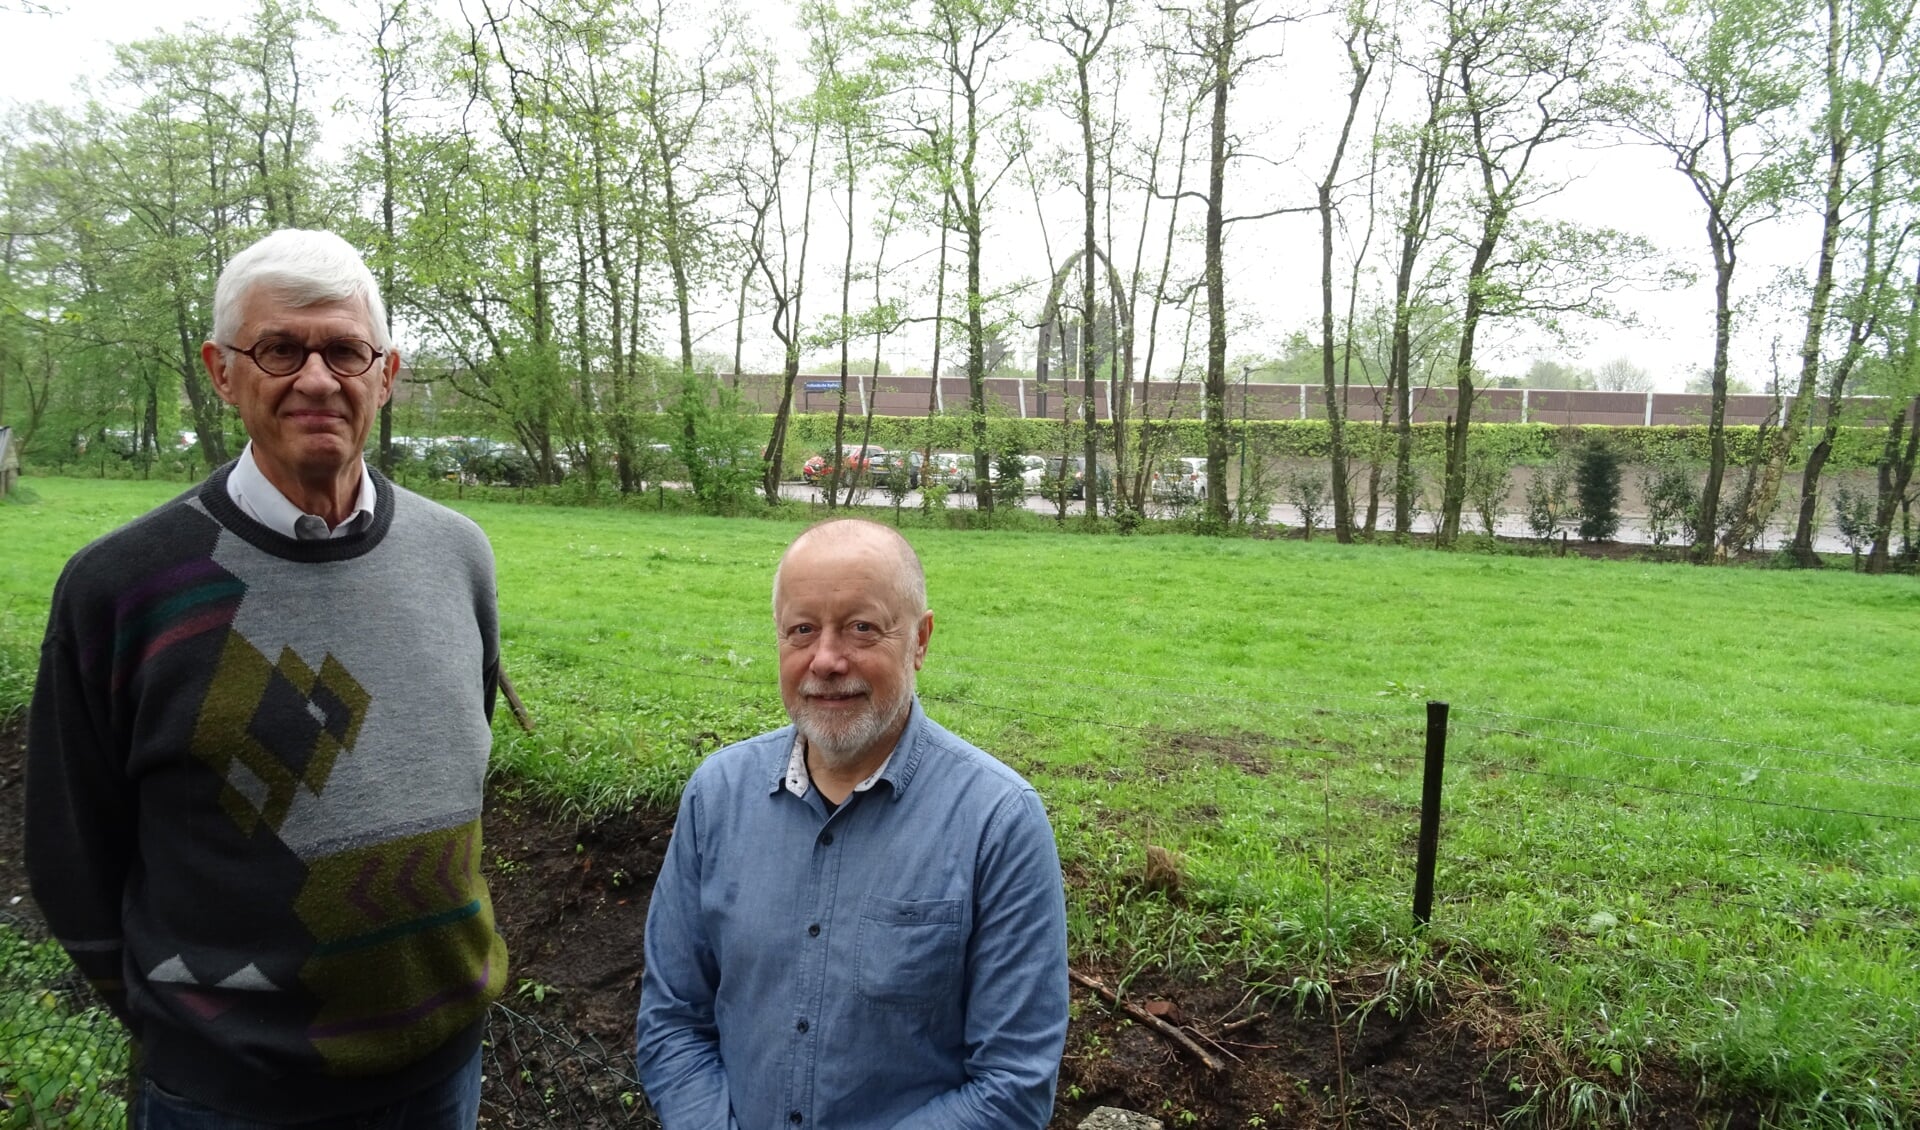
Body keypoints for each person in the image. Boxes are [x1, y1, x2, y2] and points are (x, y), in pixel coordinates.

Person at [26, 229, 507, 1128]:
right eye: (280, 349)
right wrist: (193, 1032)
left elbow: (449, 768)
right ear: (221, 370)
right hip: (227, 1098)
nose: (318, 379)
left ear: (386, 373)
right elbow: (69, 850)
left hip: (442, 1077)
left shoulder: (458, 555)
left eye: (346, 350)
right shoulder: (125, 588)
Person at [636, 518, 1070, 1130]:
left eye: (862, 628)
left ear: (919, 640)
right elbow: (674, 1019)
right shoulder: (717, 795)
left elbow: (1014, 1083)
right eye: (802, 630)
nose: (827, 659)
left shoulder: (997, 822)